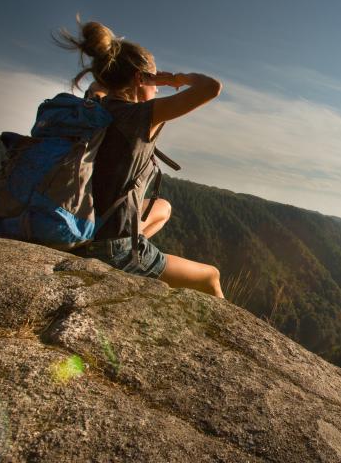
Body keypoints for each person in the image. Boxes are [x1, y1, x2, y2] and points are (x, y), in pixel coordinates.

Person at [55, 20, 224, 298]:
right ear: (140, 79)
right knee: (211, 276)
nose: (158, 88)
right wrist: (175, 79)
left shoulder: (92, 106)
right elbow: (211, 87)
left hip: (78, 223)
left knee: (163, 207)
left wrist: (143, 76)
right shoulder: (140, 117)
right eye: (154, 80)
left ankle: (133, 243)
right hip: (108, 248)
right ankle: (133, 262)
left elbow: (100, 84)